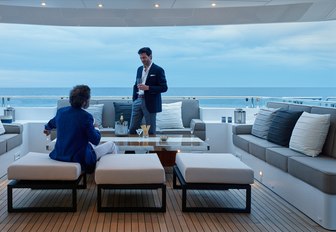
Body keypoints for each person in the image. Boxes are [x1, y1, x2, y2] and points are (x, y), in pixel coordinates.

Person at [44, 85, 118, 173]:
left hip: (59, 155)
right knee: (112, 145)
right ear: (84, 102)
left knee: (88, 143)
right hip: (78, 158)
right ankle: (112, 173)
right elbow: (96, 140)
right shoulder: (86, 117)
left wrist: (47, 129)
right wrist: (97, 128)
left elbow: (51, 124)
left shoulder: (61, 112)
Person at [129, 47, 168, 135]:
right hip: (138, 100)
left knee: (150, 130)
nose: (142, 60)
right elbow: (136, 85)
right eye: (141, 58)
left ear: (150, 56)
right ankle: (130, 149)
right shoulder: (139, 69)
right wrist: (134, 100)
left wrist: (148, 88)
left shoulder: (158, 70)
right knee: (132, 128)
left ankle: (151, 149)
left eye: (144, 57)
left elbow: (164, 87)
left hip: (150, 102)